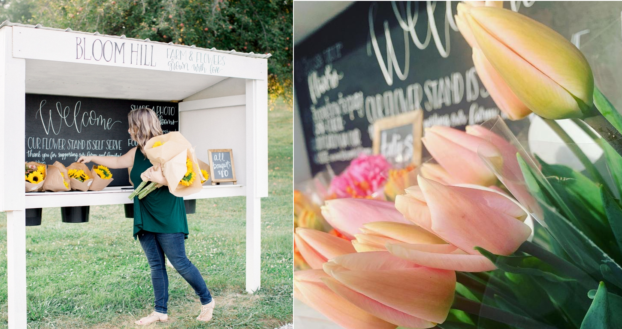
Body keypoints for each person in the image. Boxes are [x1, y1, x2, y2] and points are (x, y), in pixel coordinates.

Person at [77, 107, 215, 325]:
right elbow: (117, 162)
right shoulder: (135, 152)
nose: (128, 130)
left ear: (139, 127)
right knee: (156, 265)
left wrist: (160, 179)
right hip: (145, 213)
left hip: (167, 213)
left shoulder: (167, 148)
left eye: (131, 125)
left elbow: (182, 177)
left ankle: (207, 301)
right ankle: (160, 311)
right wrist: (92, 157)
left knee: (179, 262)